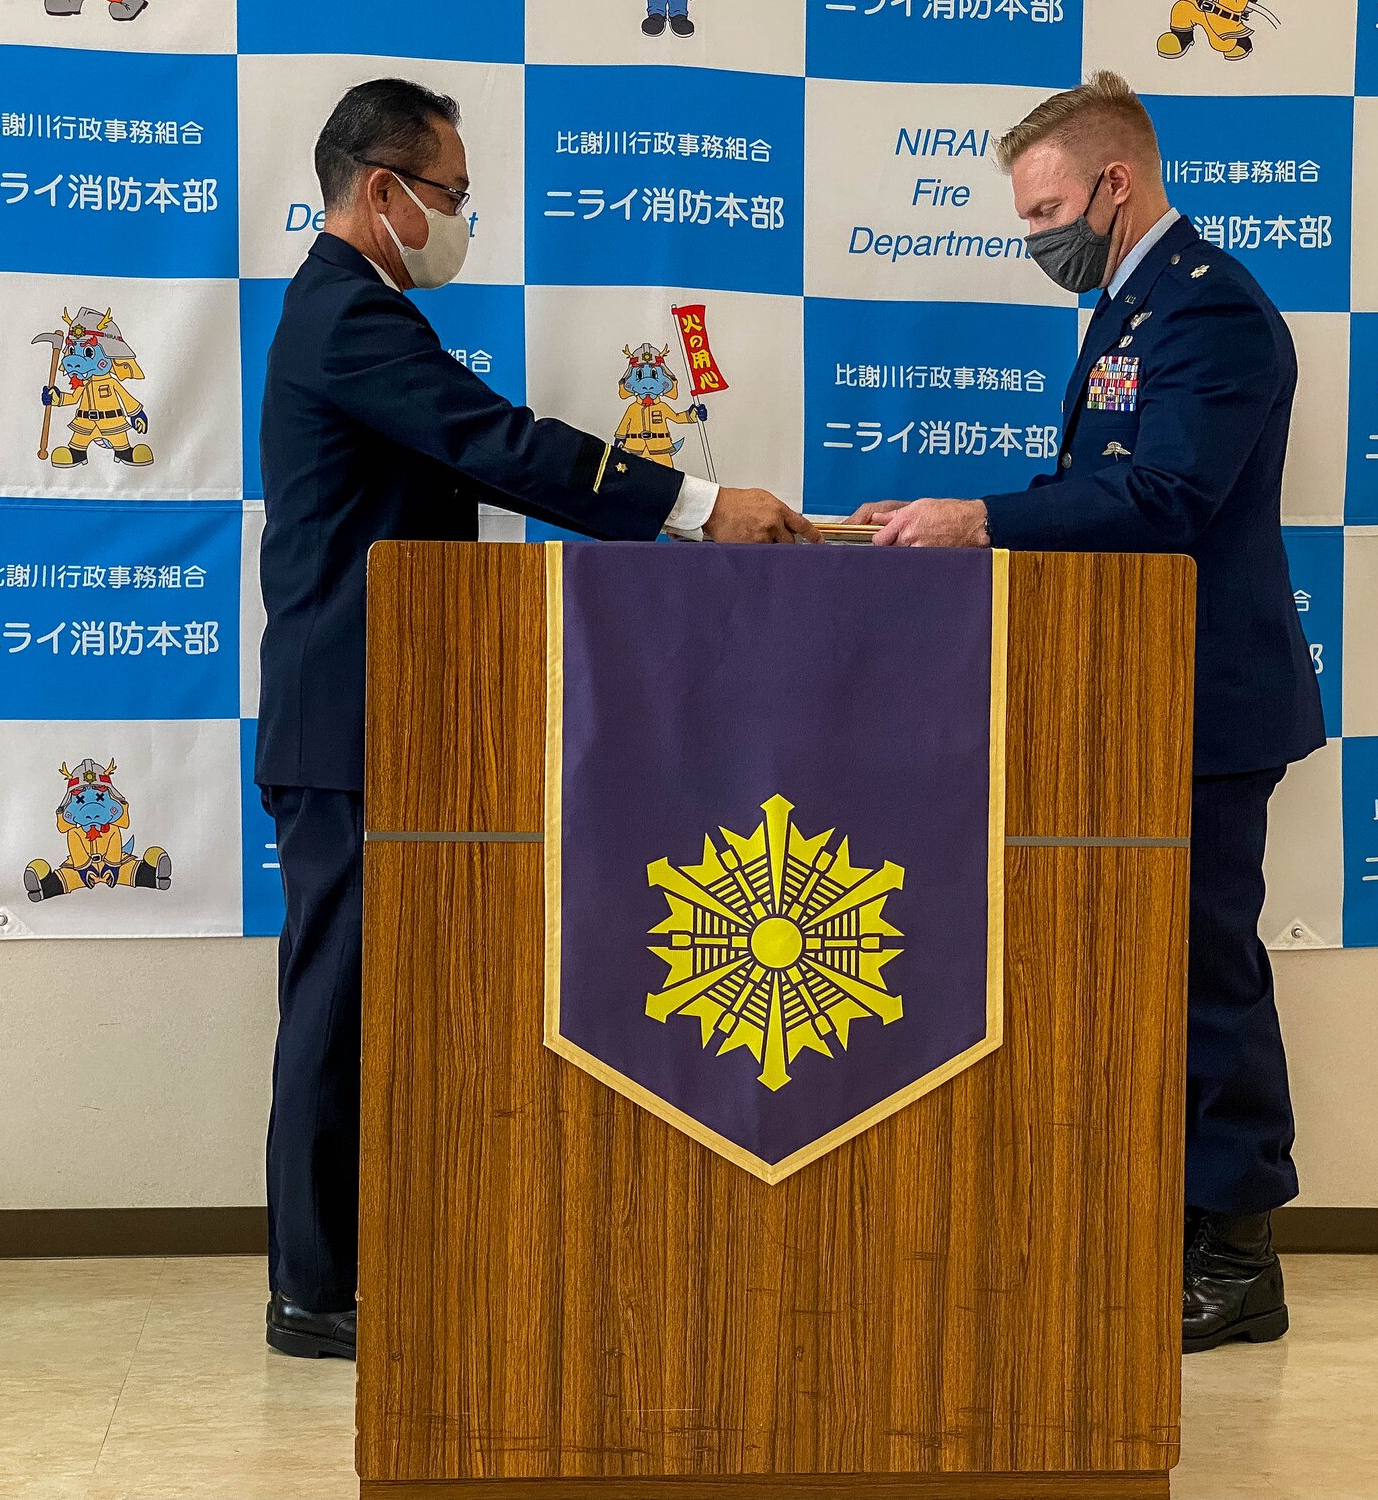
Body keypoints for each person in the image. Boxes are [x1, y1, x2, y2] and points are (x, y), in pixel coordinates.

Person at [256, 78, 815, 1360]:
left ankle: (350, 1269)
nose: (460, 219)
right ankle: (312, 1289)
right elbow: (501, 444)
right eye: (449, 195)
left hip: (395, 716)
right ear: (383, 191)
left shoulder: (365, 312)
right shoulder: (349, 318)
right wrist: (695, 506)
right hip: (349, 725)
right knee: (337, 1007)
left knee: (380, 1001)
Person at [850, 71, 1325, 1353]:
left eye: (1046, 209)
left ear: (1114, 182)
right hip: (1132, 699)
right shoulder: (1128, 308)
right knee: (1148, 970)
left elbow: (1165, 497)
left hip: (1204, 705)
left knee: (1201, 971)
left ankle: (1232, 1256)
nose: (1034, 241)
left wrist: (980, 522)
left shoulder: (1205, 310)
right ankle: (1164, 1228)